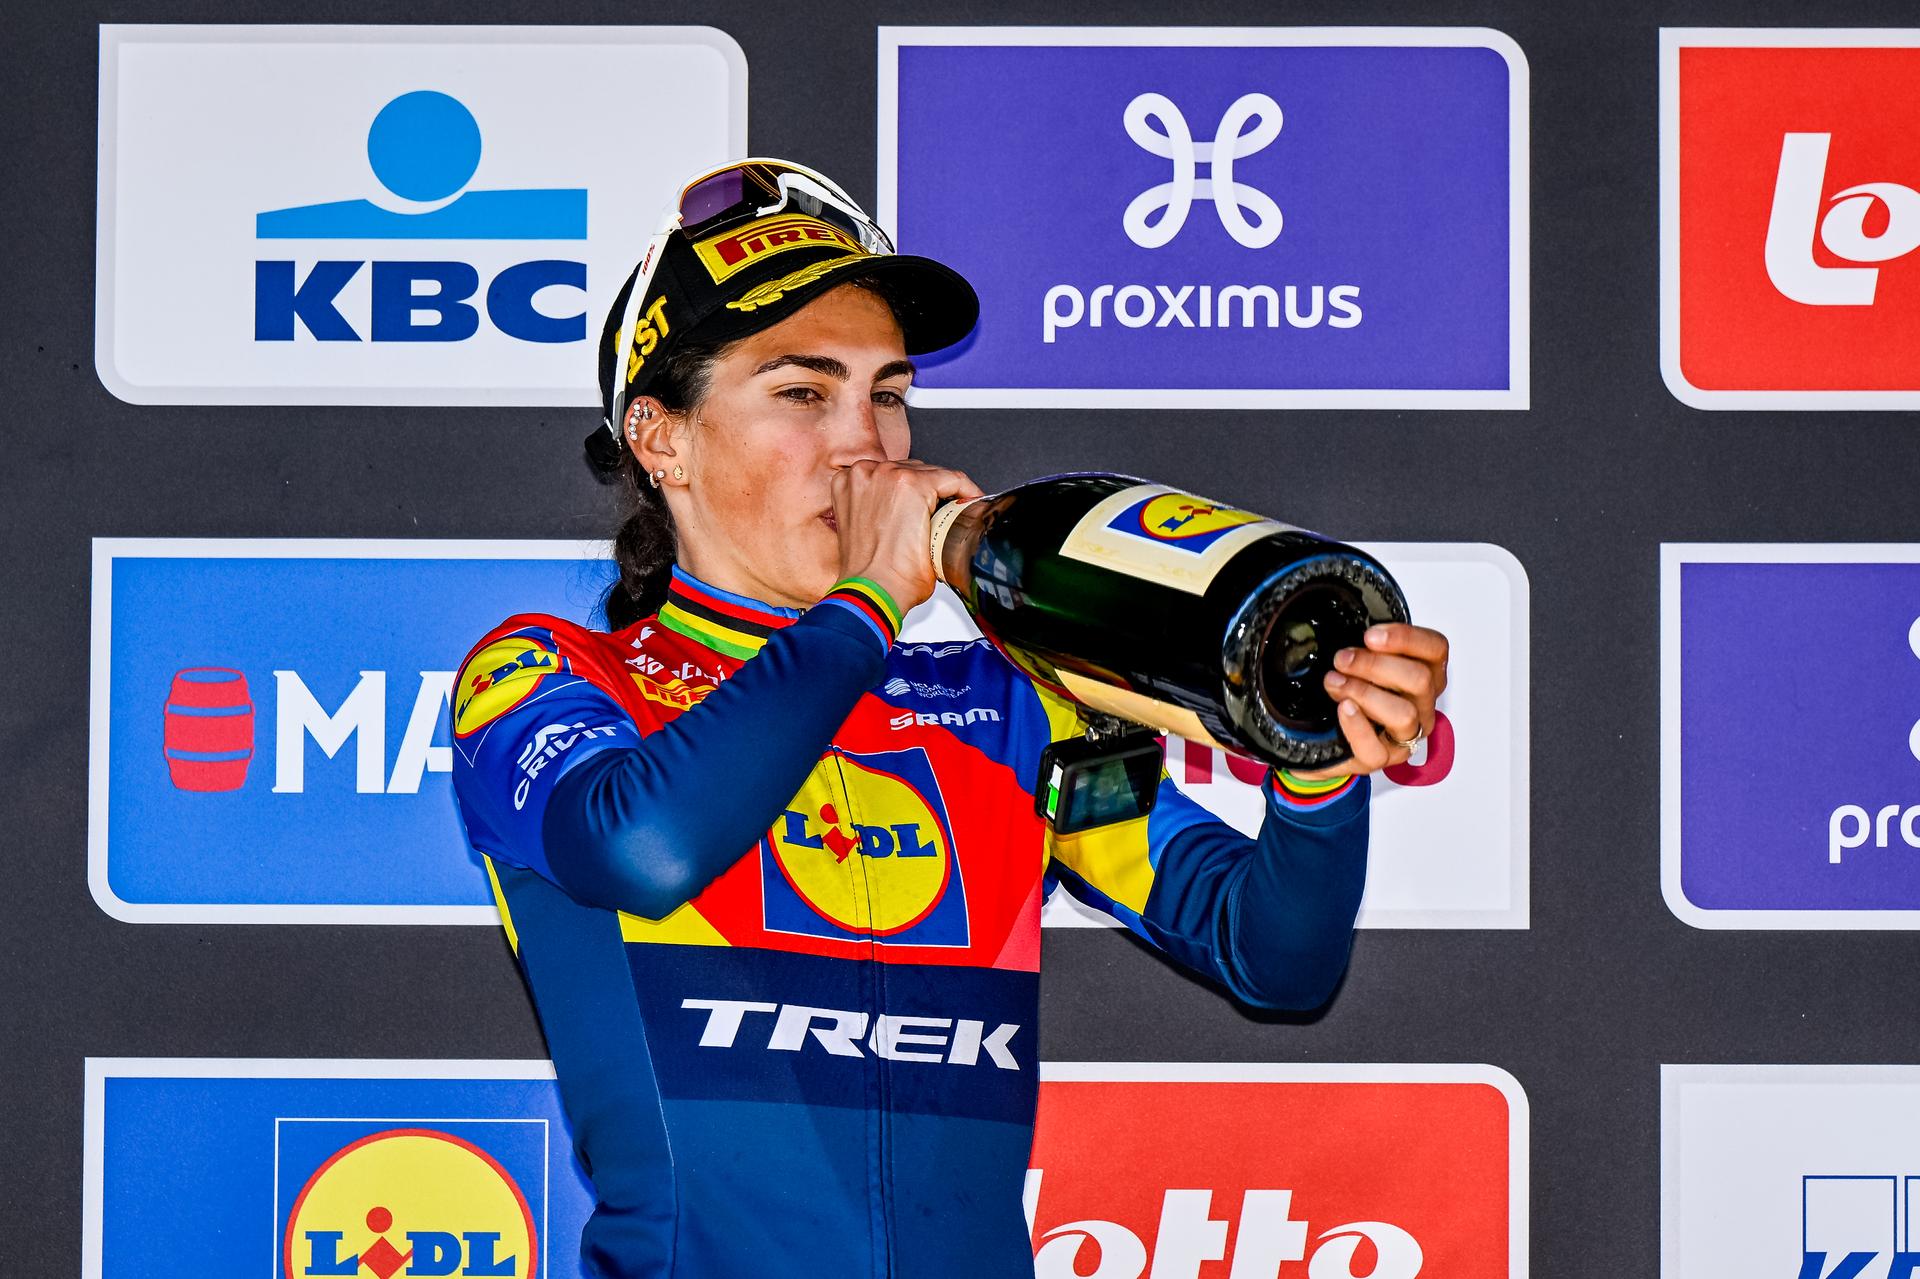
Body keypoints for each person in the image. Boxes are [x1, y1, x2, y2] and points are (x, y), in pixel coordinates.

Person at [448, 159, 1450, 1279]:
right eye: (802, 392)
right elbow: (644, 845)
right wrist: (868, 602)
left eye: (887, 392)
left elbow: (1277, 959)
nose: (864, 441)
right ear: (660, 438)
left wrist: (1316, 758)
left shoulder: (1004, 706)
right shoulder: (550, 674)